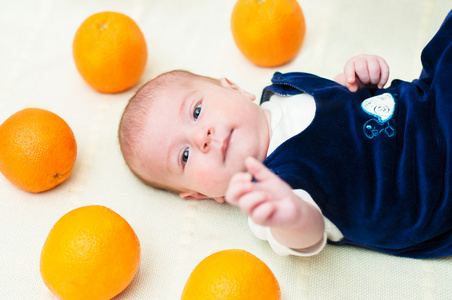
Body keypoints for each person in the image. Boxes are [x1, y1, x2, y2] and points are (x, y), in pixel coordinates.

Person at [119, 11, 452, 259]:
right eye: (185, 156)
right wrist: (289, 215)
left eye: (196, 112)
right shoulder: (270, 194)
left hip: (423, 100)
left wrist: (358, 76)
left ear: (234, 88)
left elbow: (342, 103)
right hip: (429, 185)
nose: (201, 137)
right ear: (203, 194)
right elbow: (306, 234)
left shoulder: (285, 90)